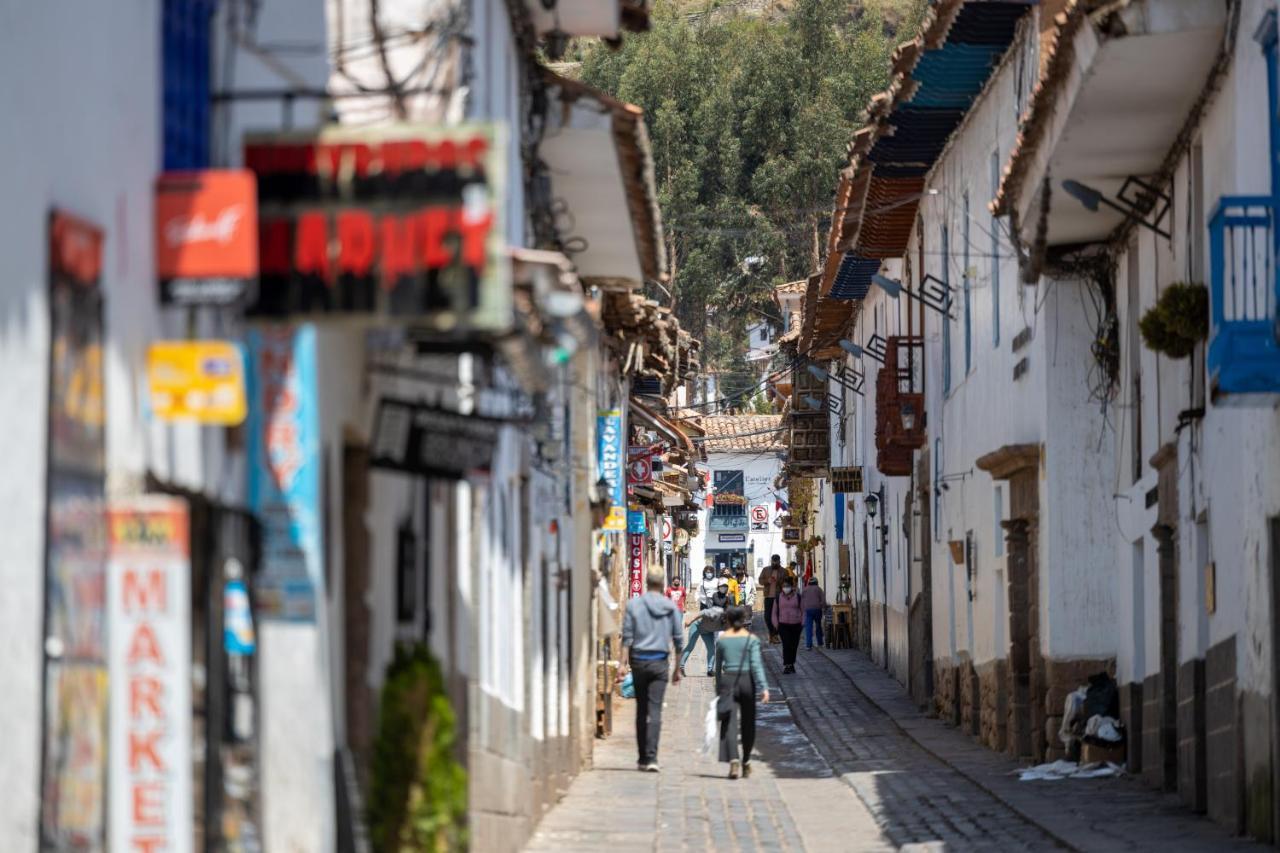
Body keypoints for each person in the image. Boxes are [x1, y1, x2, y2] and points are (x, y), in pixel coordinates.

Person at [621, 568, 684, 771]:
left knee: (641, 710)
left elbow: (627, 637)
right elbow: (678, 639)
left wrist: (623, 664)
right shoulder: (670, 607)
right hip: (660, 664)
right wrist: (677, 668)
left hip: (639, 661)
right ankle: (652, 757)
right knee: (655, 710)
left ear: (647, 582)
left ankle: (642, 758)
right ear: (662, 583)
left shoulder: (634, 605)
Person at [714, 606, 770, 779]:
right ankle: (746, 760)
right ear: (744, 620)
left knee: (729, 724)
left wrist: (719, 688)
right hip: (747, 682)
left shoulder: (722, 640)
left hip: (728, 681)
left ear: (729, 621)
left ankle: (733, 761)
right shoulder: (751, 639)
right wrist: (764, 687)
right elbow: (756, 665)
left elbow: (717, 668)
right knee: (748, 723)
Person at [681, 580, 730, 676]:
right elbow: (701, 613)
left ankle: (710, 670)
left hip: (708, 631)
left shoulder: (727, 622)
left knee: (712, 649)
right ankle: (680, 667)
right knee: (691, 646)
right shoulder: (715, 611)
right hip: (697, 627)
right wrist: (689, 621)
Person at [775, 578, 804, 673]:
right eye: (783, 586)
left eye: (787, 586)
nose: (785, 588)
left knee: (793, 645)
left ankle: (791, 664)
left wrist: (802, 623)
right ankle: (787, 665)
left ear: (792, 587)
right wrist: (776, 625)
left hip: (796, 625)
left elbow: (803, 611)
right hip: (783, 625)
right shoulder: (778, 597)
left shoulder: (798, 597)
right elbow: (773, 613)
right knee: (786, 644)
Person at [758, 555, 785, 644]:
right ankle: (773, 634)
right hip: (768, 596)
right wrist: (768, 581)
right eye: (773, 561)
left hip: (779, 596)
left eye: (776, 561)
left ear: (779, 561)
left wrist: (779, 581)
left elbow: (787, 583)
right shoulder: (766, 569)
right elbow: (760, 581)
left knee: (778, 617)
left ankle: (774, 636)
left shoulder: (783, 571)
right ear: (771, 561)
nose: (775, 563)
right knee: (767, 617)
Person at [801, 576, 827, 650]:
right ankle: (820, 643)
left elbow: (801, 601)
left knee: (808, 628)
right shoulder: (819, 589)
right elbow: (823, 601)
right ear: (816, 582)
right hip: (817, 609)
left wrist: (802, 610)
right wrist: (822, 606)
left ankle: (809, 645)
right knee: (818, 625)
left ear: (809, 583)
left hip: (808, 610)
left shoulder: (804, 590)